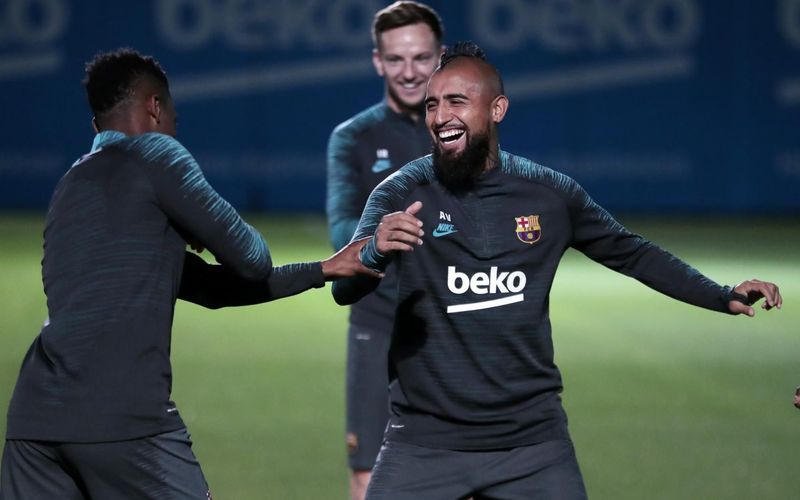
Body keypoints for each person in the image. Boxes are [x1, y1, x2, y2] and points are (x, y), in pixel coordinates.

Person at [332, 41, 783, 499]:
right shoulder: (399, 193)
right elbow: (343, 289)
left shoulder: (549, 194)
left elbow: (632, 253)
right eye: (432, 104)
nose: (440, 115)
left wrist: (720, 294)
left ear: (497, 109)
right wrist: (374, 253)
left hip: (531, 445)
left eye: (457, 101)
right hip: (423, 444)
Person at [0, 48, 376, 500]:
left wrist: (322, 270)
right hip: (123, 415)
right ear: (155, 107)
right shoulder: (156, 155)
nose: (176, 129)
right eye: (175, 119)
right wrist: (191, 223)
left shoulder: (71, 183)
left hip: (34, 420)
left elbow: (210, 287)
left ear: (96, 125)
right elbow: (252, 259)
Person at [325, 2, 444, 497]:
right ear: (378, 61)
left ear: (439, 57)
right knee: (367, 475)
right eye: (396, 59)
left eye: (421, 58)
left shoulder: (463, 131)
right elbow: (341, 233)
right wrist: (387, 234)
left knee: (466, 471)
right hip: (377, 323)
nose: (409, 71)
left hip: (454, 325)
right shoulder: (352, 137)